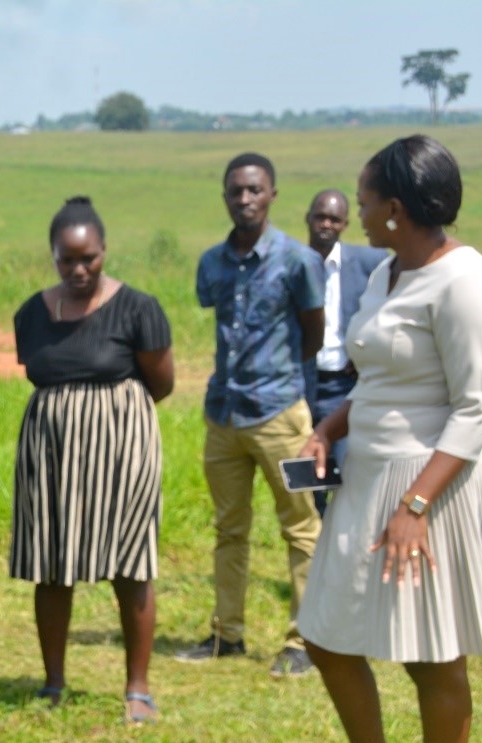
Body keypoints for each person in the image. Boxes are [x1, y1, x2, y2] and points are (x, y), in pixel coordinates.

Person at [297, 135, 482, 743]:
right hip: (371, 477)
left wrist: (417, 504)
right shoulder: (387, 273)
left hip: (434, 485)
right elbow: (378, 374)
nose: (360, 213)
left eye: (367, 201)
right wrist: (331, 428)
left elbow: (475, 409)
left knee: (431, 656)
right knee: (327, 634)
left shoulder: (467, 285)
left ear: (396, 209)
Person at [10, 197, 174, 724]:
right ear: (53, 256)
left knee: (130, 563)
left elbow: (162, 382)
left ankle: (138, 689)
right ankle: (53, 682)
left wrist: (106, 416)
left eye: (90, 259)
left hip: (121, 443)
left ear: (105, 251)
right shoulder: (31, 313)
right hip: (50, 446)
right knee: (50, 563)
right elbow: (37, 368)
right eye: (67, 260)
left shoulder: (138, 308)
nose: (79, 270)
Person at [178, 153, 326, 678]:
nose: (245, 199)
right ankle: (227, 635)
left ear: (272, 195)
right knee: (229, 529)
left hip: (283, 417)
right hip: (223, 416)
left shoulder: (297, 261)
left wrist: (283, 383)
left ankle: (305, 641)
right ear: (225, 196)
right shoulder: (211, 262)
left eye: (255, 190)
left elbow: (314, 332)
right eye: (236, 190)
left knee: (303, 528)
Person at [302, 189, 387, 515]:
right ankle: (315, 553)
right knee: (309, 478)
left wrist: (367, 347)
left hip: (347, 386)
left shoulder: (371, 263)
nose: (325, 224)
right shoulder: (293, 263)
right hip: (303, 385)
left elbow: (393, 305)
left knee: (352, 469)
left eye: (334, 219)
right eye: (320, 217)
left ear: (345, 224)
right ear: (307, 219)